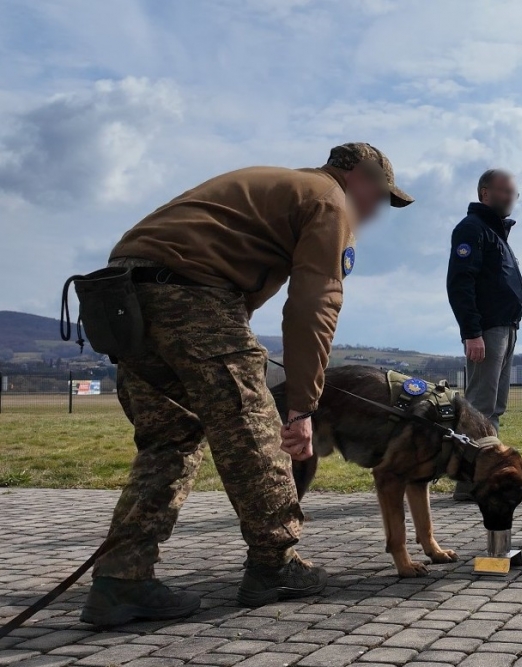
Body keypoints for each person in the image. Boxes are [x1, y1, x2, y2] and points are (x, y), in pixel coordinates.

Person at [81, 143, 413, 626]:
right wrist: (301, 408)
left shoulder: (276, 186)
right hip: (191, 295)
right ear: (356, 175)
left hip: (122, 298)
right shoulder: (327, 199)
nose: (375, 210)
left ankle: (121, 581)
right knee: (255, 433)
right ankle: (274, 563)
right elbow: (313, 307)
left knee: (169, 440)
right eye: (379, 196)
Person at [446, 169, 522, 501]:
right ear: (484, 193)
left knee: (494, 407)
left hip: (506, 329)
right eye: (504, 191)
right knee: (478, 408)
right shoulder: (472, 229)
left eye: (513, 193)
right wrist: (472, 333)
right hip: (487, 331)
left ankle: (486, 474)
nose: (509, 198)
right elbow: (460, 282)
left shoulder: (496, 233)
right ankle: (468, 482)